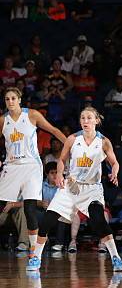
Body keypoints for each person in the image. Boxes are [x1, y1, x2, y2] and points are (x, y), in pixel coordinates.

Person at [27, 107, 122, 272]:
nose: (85, 121)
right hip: (71, 186)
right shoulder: (72, 139)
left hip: (92, 188)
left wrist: (114, 173)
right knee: (47, 221)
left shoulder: (104, 142)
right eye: (82, 118)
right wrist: (59, 174)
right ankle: (36, 257)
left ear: (96, 121)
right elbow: (62, 159)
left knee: (98, 220)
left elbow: (114, 163)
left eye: (89, 118)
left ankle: (115, 257)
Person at [0, 87, 66, 255]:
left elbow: (53, 130)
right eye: (7, 99)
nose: (10, 102)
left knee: (29, 208)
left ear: (20, 100)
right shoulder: (2, 120)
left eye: (13, 98)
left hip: (31, 166)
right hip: (11, 166)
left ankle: (34, 252)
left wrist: (71, 145)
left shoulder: (32, 115)